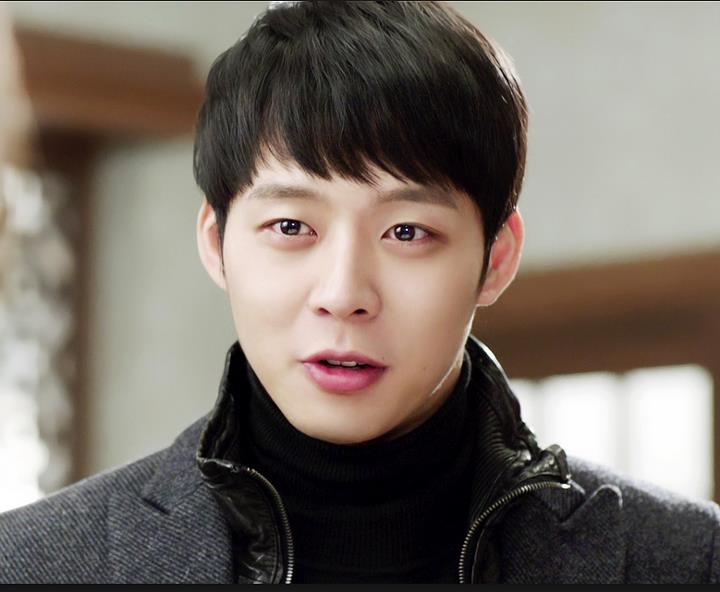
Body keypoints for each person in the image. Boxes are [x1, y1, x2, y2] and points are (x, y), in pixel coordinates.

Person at [1, 1, 719, 584]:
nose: (343, 294)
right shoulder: (36, 564)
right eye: (291, 226)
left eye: (407, 232)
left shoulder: (683, 561)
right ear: (216, 244)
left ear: (496, 259)